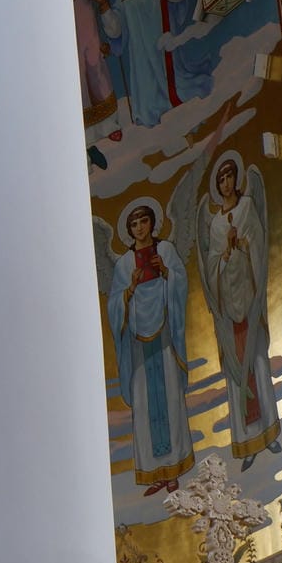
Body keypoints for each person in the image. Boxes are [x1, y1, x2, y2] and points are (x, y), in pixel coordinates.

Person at [107, 198, 193, 495]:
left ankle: (175, 468)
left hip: (165, 338)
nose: (140, 228)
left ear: (152, 222)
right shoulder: (123, 264)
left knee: (169, 396)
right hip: (139, 347)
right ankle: (154, 474)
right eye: (134, 224)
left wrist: (167, 273)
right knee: (145, 404)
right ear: (128, 230)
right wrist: (130, 289)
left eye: (144, 221)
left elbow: (182, 284)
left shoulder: (166, 250)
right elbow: (114, 307)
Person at [199, 152, 281, 468]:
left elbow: (258, 244)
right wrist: (225, 254)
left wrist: (244, 246)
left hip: (249, 300)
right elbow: (210, 267)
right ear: (217, 186)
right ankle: (246, 445)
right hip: (229, 311)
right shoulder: (216, 224)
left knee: (258, 363)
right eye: (221, 179)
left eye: (230, 176)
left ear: (237, 179)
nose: (226, 182)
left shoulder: (247, 207)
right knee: (236, 375)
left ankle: (269, 433)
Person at [106, 0, 198, 127]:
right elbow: (116, 28)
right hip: (141, 53)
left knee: (178, 85)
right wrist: (104, 8)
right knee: (149, 100)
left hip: (162, 39)